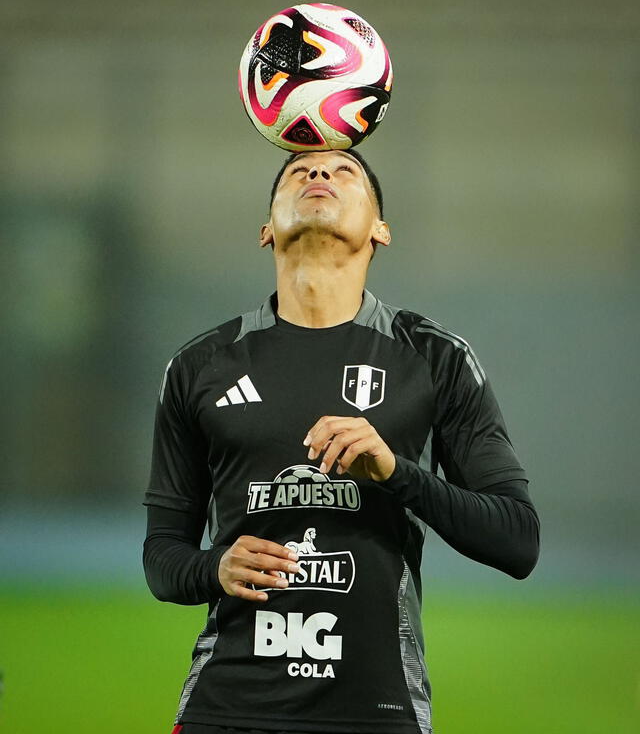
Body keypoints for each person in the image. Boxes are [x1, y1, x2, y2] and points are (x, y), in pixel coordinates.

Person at [142, 148, 540, 734]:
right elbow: (161, 558)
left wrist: (397, 473)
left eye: (344, 170)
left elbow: (517, 539)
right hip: (225, 710)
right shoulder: (198, 367)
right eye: (298, 172)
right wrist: (215, 568)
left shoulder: (433, 358)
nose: (319, 174)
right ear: (264, 231)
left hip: (377, 713)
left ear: (381, 231)